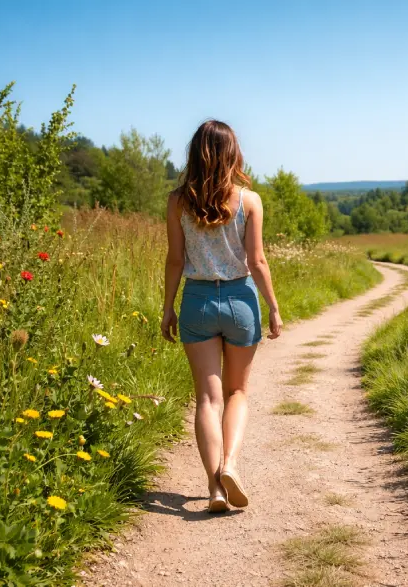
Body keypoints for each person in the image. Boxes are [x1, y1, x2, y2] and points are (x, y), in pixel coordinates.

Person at [160, 120, 283, 512]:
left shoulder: (177, 202)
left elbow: (175, 259)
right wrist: (274, 307)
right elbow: (257, 261)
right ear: (233, 154)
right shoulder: (249, 201)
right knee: (237, 393)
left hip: (197, 301)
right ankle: (230, 464)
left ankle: (215, 488)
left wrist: (168, 307)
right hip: (240, 300)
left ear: (195, 154)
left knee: (207, 399)